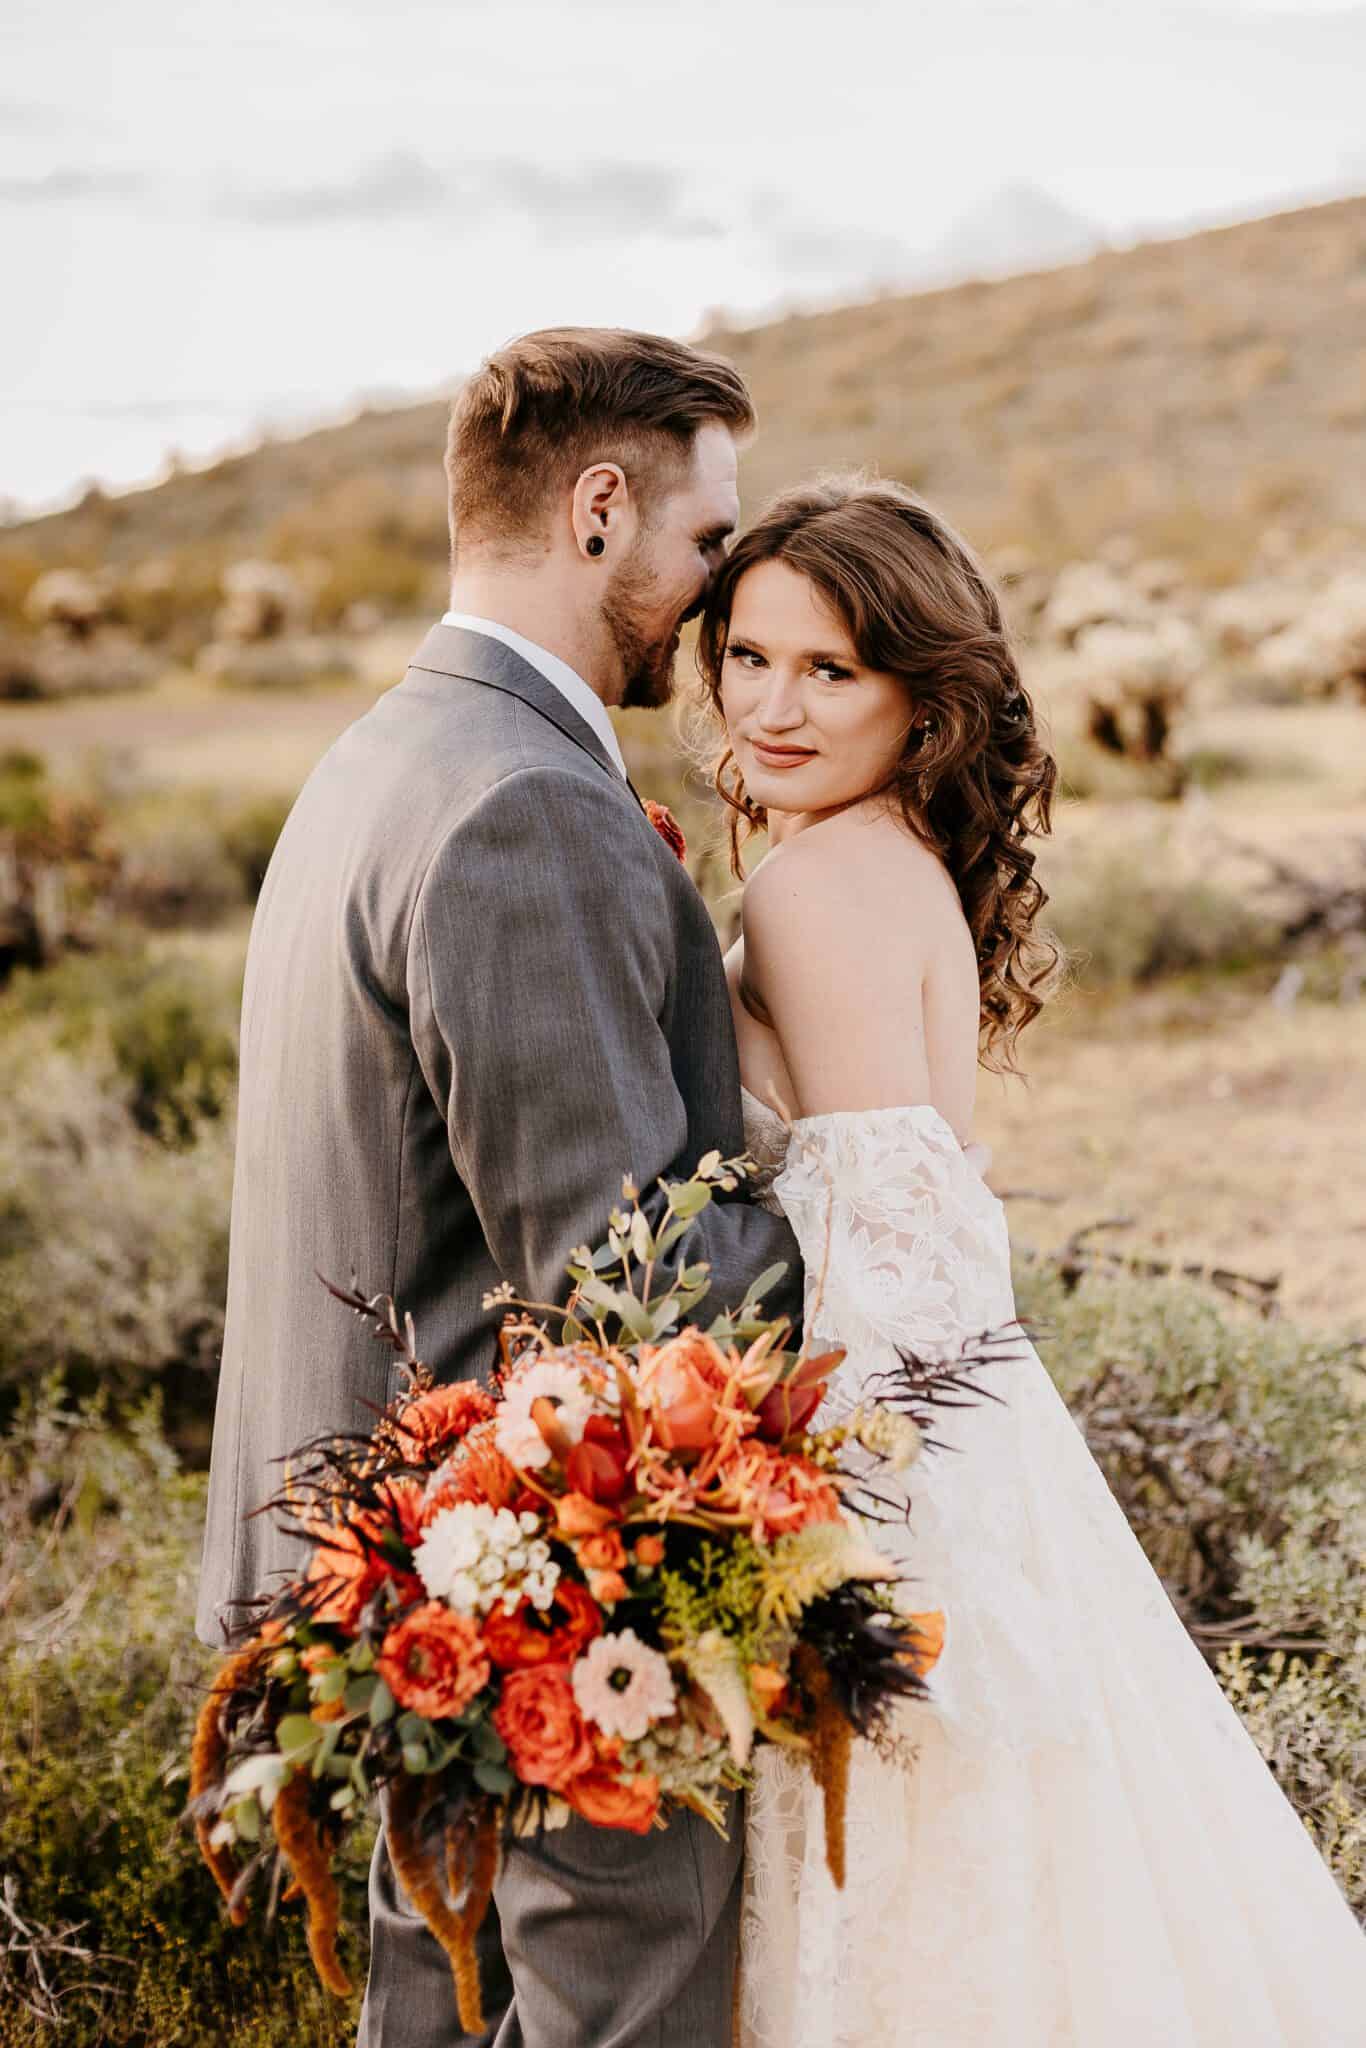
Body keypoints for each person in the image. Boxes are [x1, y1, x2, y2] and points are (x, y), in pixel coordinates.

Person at [696, 473, 1366, 2047]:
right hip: (954, 1437)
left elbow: (878, 1241)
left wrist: (842, 1546)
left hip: (883, 1465)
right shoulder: (880, 852)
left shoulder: (813, 881)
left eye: (830, 670)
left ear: (921, 698)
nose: (773, 705)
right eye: (747, 656)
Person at [193, 327, 803, 2048]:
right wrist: (877, 1215)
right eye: (703, 542)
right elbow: (631, 1281)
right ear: (600, 509)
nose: (708, 591)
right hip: (540, 1596)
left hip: (385, 1565)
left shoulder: (383, 755)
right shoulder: (527, 805)